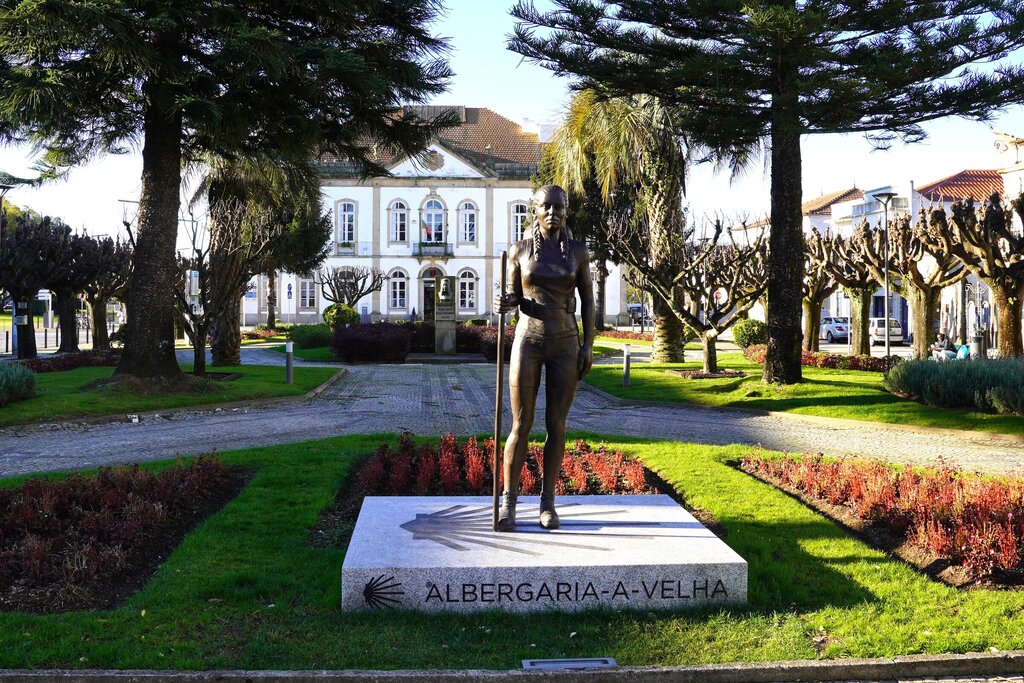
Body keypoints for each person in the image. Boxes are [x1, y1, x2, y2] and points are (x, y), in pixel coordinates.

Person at [492, 184, 595, 532]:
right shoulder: (518, 251)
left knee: (556, 424)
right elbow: (512, 296)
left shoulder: (578, 253)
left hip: (566, 341)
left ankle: (547, 502)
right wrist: (503, 304)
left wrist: (588, 346)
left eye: (559, 207)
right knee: (520, 425)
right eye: (546, 207)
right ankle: (509, 503)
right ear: (534, 210)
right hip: (528, 340)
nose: (553, 213)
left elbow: (590, 302)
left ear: (567, 210)